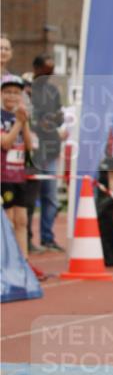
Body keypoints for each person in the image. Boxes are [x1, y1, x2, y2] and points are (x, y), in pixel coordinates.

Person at [30, 55, 64, 251]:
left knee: (50, 196)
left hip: (51, 148)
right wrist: (38, 124)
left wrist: (56, 119)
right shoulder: (27, 89)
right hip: (33, 150)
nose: (50, 74)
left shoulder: (53, 91)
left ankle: (47, 237)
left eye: (52, 70)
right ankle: (26, 238)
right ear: (36, 69)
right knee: (28, 197)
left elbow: (59, 117)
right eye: (46, 69)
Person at [1, 75, 34, 258]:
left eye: (15, 93)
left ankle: (24, 262)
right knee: (8, 221)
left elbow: (29, 146)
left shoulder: (22, 116)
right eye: (7, 92)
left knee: (22, 220)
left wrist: (25, 122)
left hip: (18, 176)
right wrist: (19, 123)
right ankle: (7, 261)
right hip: (3, 176)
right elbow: (5, 143)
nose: (11, 97)